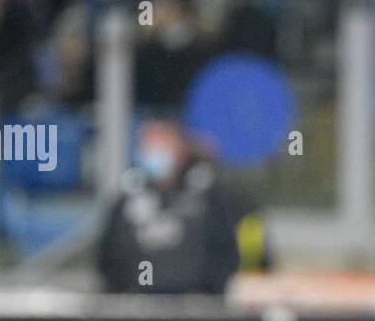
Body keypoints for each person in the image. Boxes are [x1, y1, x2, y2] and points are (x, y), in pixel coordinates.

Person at [97, 118, 264, 295]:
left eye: (162, 146)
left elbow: (230, 250)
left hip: (197, 304)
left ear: (180, 148)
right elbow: (108, 259)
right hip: (138, 305)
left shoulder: (211, 197)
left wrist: (213, 292)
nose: (155, 154)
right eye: (148, 147)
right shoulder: (127, 201)